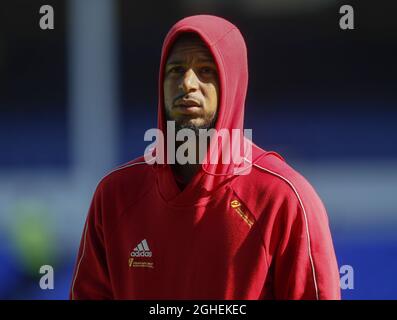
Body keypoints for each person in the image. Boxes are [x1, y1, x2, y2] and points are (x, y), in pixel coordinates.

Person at [70, 15, 341, 300]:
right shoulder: (115, 196)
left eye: (206, 70)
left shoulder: (283, 199)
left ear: (232, 82)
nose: (188, 83)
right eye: (176, 70)